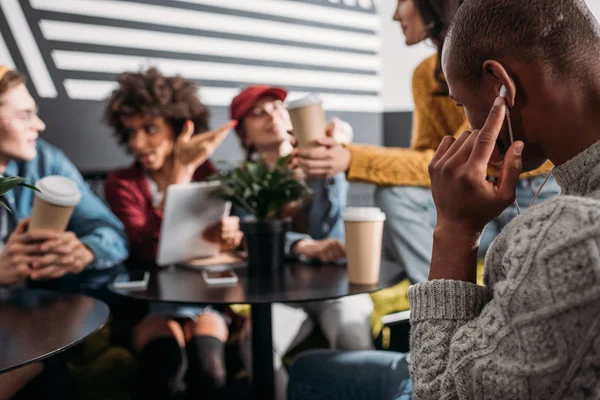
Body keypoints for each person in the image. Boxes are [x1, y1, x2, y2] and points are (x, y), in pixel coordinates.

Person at [291, 0, 600, 398]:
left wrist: (454, 231)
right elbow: (429, 156)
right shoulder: (426, 74)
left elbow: (437, 394)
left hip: (444, 376)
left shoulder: (566, 238)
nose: (394, 14)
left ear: (500, 85)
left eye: (460, 104)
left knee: (310, 374)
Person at [294, 0, 559, 283]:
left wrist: (352, 158)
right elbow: (432, 163)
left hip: (540, 190)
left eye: (401, 1)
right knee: (394, 196)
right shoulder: (424, 76)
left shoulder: (494, 58)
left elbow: (474, 152)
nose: (395, 15)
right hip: (479, 203)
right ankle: (440, 302)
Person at [103, 68, 243, 400]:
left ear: (178, 125)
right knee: (166, 370)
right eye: (131, 132)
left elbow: (219, 245)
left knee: (211, 372)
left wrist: (232, 236)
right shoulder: (121, 183)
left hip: (203, 299)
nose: (138, 143)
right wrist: (181, 172)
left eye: (150, 129)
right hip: (150, 302)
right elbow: (146, 247)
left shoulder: (209, 174)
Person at [230, 85, 374, 400]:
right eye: (258, 112)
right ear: (244, 136)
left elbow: (328, 232)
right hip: (282, 295)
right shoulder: (243, 181)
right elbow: (249, 232)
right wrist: (300, 246)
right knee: (255, 347)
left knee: (353, 335)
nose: (272, 115)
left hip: (336, 287)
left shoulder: (321, 164)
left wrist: (327, 171)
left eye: (277, 107)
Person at [0, 65, 128, 398]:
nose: (39, 126)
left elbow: (109, 232)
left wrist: (84, 252)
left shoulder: (45, 161)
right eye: (25, 115)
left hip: (28, 330)